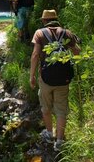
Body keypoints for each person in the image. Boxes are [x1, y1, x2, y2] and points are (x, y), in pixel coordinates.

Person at [30, 9, 81, 151]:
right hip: (64, 78)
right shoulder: (67, 33)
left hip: (46, 78)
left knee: (46, 107)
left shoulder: (39, 33)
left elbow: (35, 55)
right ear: (56, 19)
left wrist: (32, 76)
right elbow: (77, 51)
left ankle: (49, 134)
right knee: (61, 109)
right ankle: (59, 142)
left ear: (44, 21)